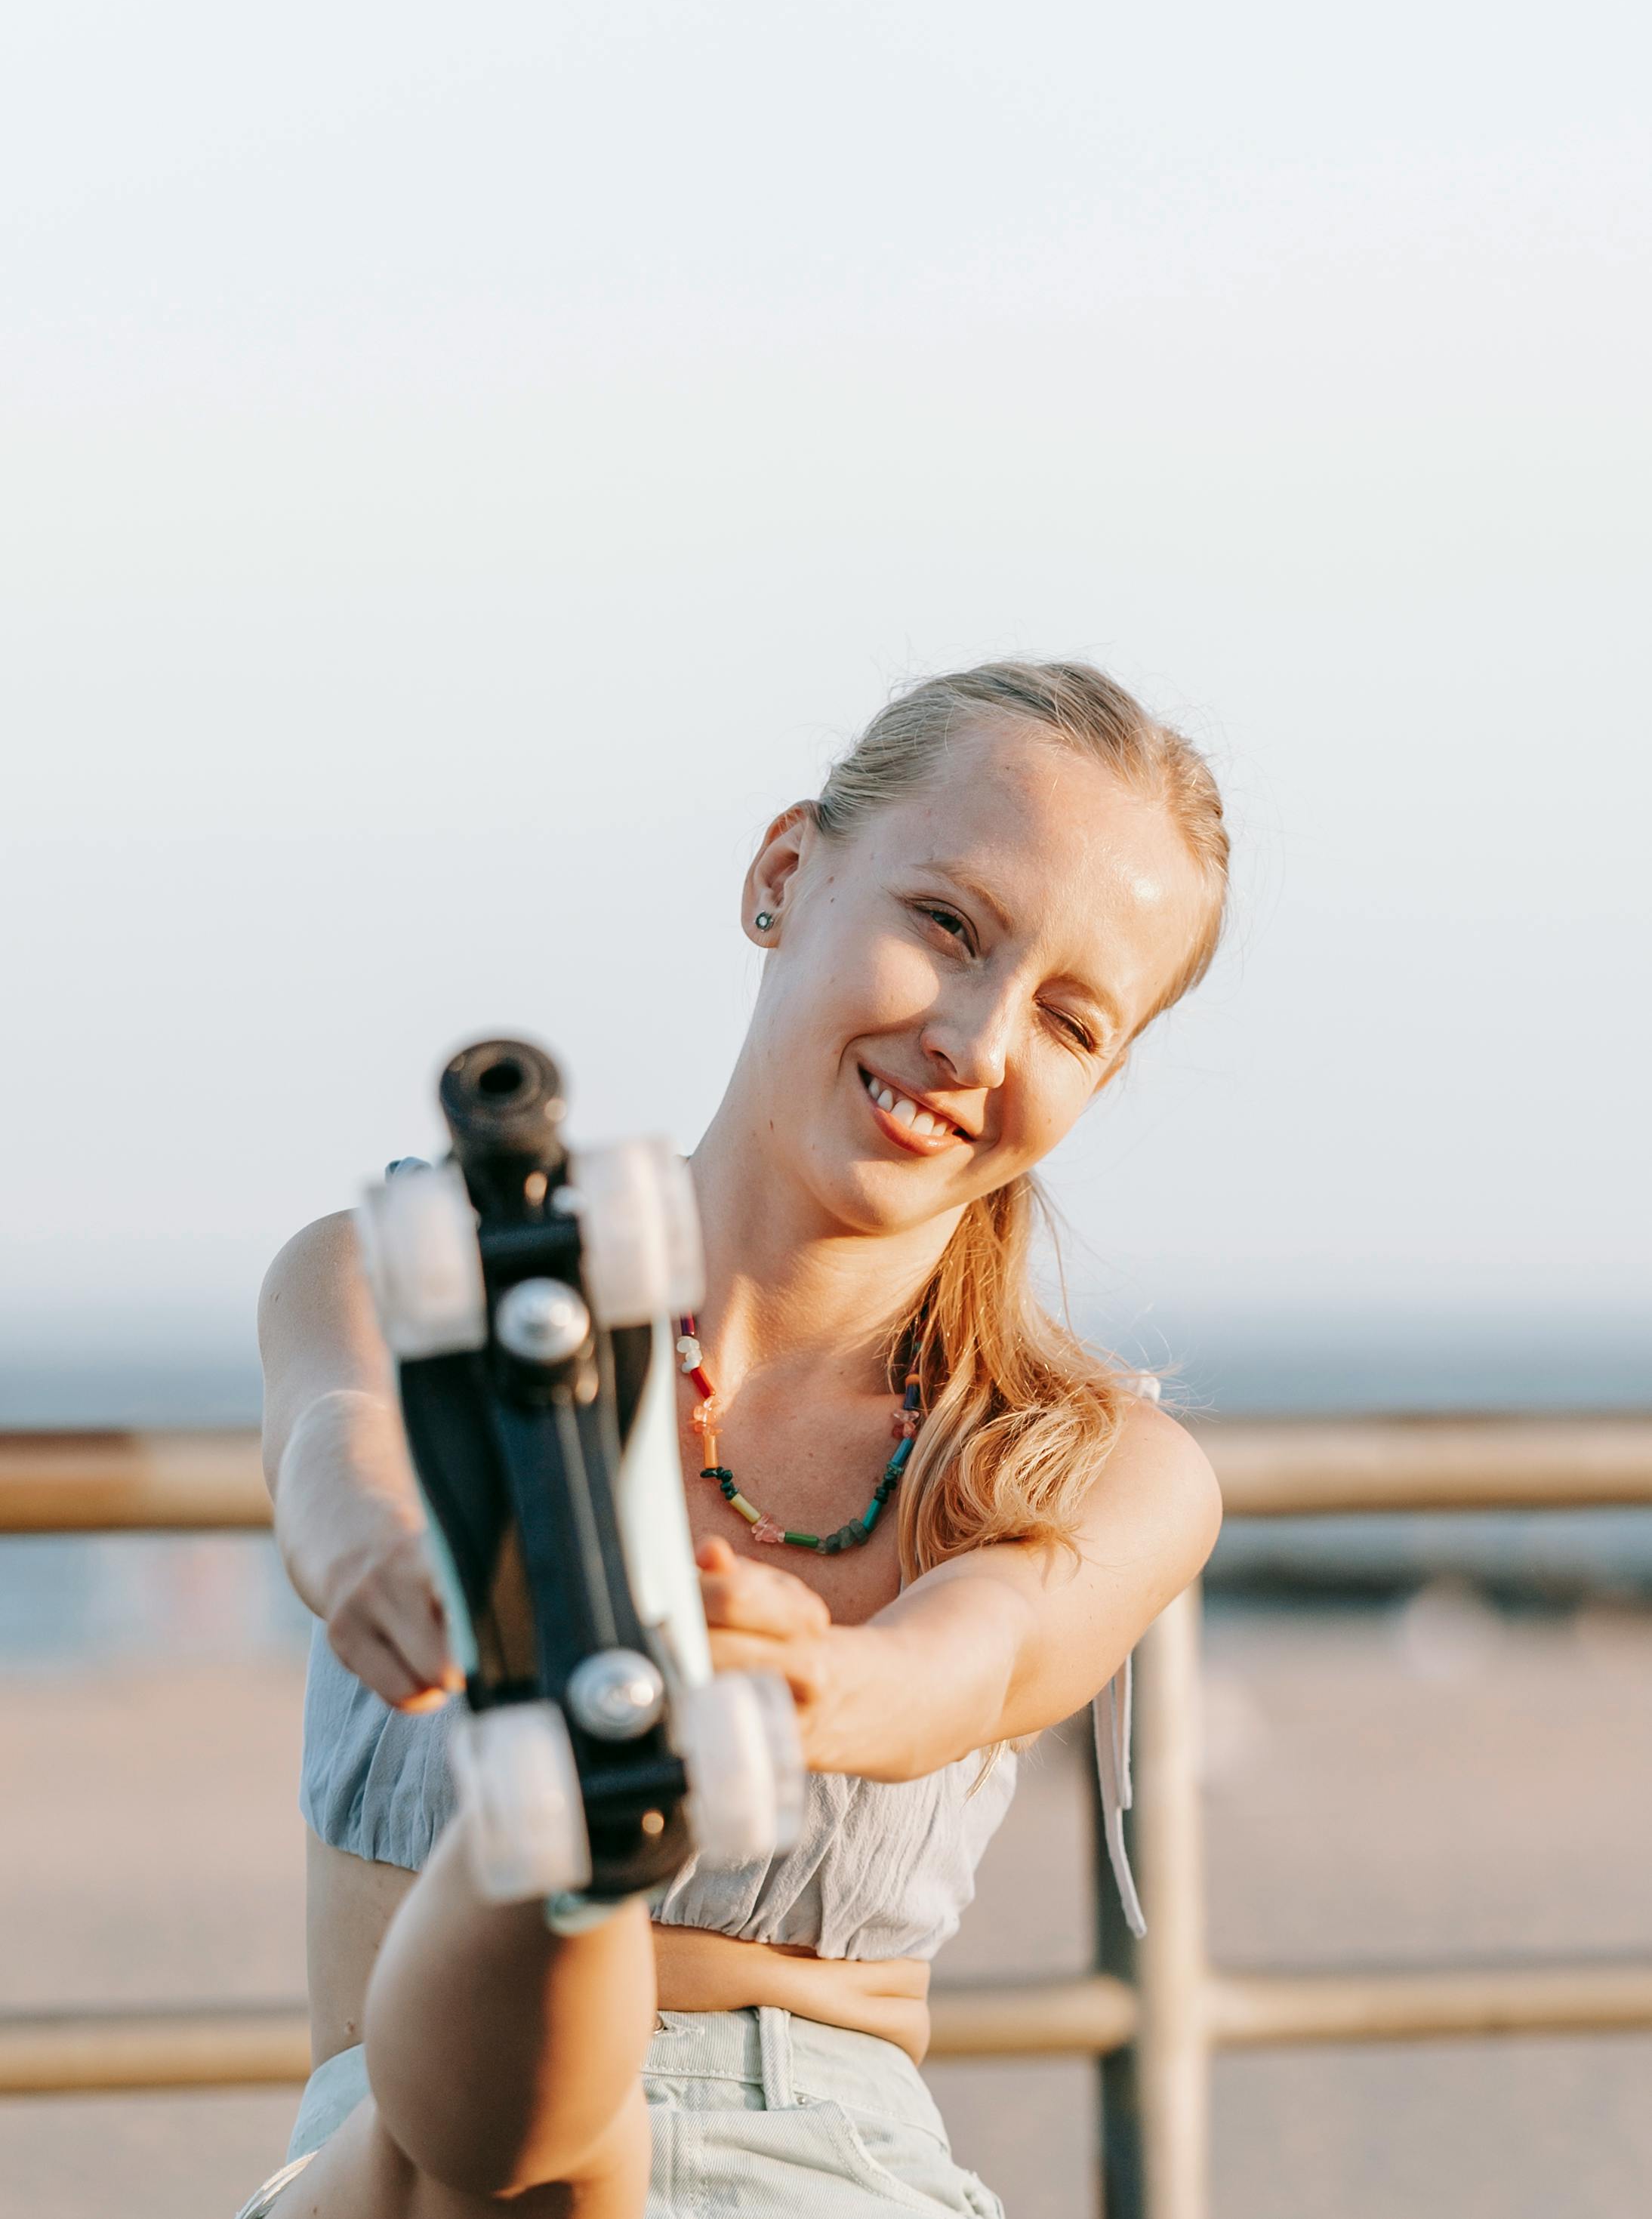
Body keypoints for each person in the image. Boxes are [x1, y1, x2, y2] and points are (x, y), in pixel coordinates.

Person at [243, 658, 1228, 2218]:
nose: (970, 1041)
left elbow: (960, 1666)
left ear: (1099, 1079)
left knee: (559, 1867)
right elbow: (337, 1440)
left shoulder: (1096, 1468)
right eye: (946, 926)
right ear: (784, 876)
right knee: (497, 2141)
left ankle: (575, 1826)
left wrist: (807, 1679)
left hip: (821, 2171)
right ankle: (574, 1844)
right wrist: (384, 1544)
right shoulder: (407, 1283)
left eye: (1066, 1018)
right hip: (393, 2171)